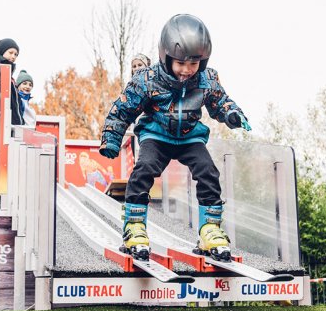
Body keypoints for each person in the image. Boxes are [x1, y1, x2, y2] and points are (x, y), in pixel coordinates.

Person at [99, 14, 251, 261]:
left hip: (190, 137)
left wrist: (232, 114)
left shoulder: (207, 79)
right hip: (156, 135)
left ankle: (210, 229)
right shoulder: (147, 79)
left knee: (208, 171)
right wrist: (111, 138)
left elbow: (221, 101)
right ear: (165, 56)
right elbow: (123, 109)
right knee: (144, 168)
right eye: (181, 63)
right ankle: (134, 227)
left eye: (194, 64)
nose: (187, 71)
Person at [0, 38, 24, 125]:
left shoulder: (10, 78)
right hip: (4, 124)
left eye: (16, 54)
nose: (13, 57)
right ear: (2, 51)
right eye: (10, 53)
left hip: (12, 125)